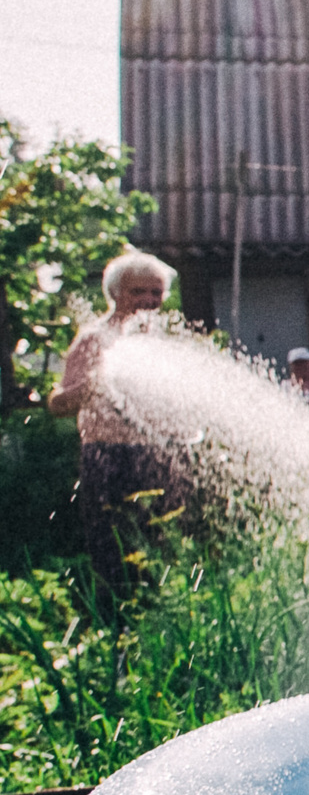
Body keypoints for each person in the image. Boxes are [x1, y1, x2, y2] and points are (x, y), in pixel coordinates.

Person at [45, 248, 187, 594]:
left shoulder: (160, 342)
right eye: (138, 291)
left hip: (156, 455)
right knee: (114, 552)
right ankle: (115, 619)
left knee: (160, 549)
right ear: (115, 293)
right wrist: (97, 383)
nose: (149, 300)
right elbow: (58, 404)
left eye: (156, 292)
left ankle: (159, 617)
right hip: (109, 456)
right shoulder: (94, 338)